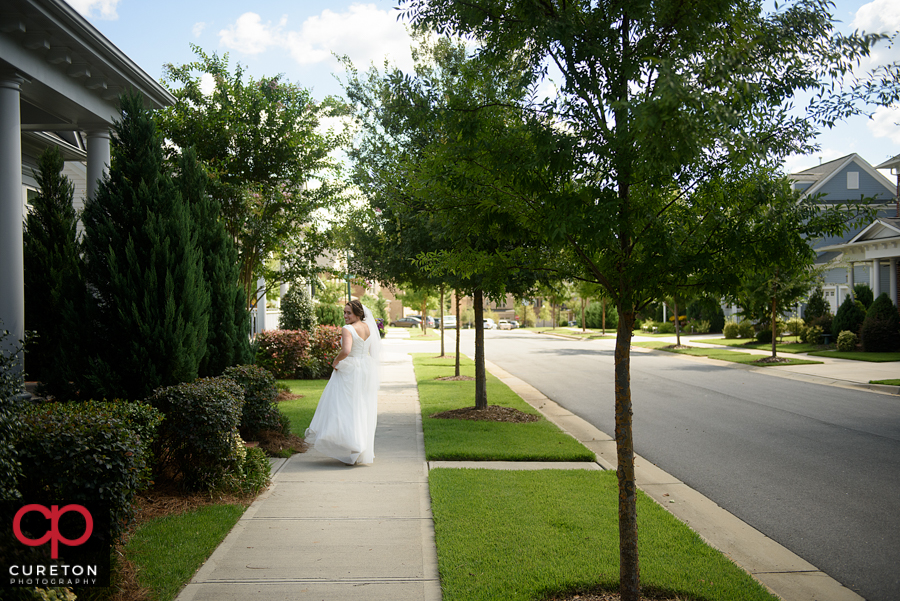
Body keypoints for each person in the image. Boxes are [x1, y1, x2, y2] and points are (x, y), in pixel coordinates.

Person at [305, 300, 382, 465]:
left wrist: (335, 361)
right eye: (345, 312)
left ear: (358, 314)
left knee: (342, 405)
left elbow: (346, 351)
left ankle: (354, 442)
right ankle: (359, 444)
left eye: (349, 313)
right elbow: (370, 350)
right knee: (361, 405)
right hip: (364, 368)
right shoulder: (369, 327)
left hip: (350, 370)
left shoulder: (347, 329)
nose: (345, 316)